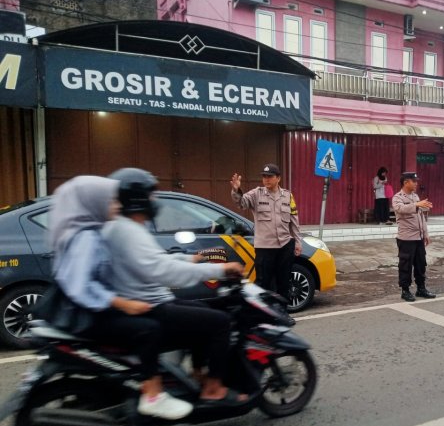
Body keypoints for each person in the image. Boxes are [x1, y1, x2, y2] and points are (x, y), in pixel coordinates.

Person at [103, 168, 248, 411]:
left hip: (149, 301)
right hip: (149, 307)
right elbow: (163, 271)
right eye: (151, 195)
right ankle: (213, 388)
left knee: (202, 308)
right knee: (220, 322)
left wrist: (189, 259)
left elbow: (154, 260)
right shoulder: (127, 231)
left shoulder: (126, 227)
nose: (155, 201)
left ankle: (197, 373)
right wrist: (220, 270)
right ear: (137, 198)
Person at [49, 176, 187, 420]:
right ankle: (153, 395)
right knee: (149, 329)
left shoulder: (89, 230)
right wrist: (124, 304)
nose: (117, 204)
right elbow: (81, 286)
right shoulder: (86, 239)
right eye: (111, 200)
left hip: (91, 310)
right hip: (88, 315)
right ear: (92, 203)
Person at [230, 164, 302, 307]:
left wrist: (298, 242)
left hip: (285, 245)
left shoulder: (288, 195)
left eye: (270, 176)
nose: (266, 179)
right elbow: (241, 203)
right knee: (263, 283)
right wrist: (236, 189)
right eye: (264, 176)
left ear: (278, 178)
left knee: (284, 281)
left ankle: (282, 312)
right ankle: (264, 315)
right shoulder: (257, 194)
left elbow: (294, 220)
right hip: (265, 247)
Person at [392, 172, 436, 302]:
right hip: (406, 238)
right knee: (405, 265)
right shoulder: (397, 197)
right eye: (414, 181)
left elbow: (421, 217)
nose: (416, 183)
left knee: (421, 264)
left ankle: (421, 289)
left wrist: (426, 233)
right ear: (406, 182)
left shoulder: (415, 196)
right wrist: (417, 205)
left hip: (418, 237)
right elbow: (400, 209)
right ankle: (405, 291)